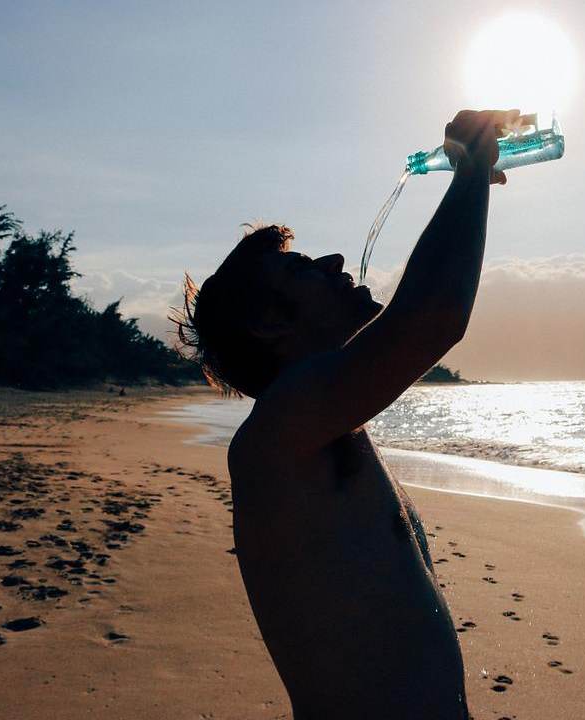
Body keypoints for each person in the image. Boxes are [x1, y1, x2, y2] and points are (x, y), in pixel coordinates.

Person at [173, 109, 518, 718]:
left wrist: (469, 179)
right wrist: (468, 169)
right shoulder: (276, 438)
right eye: (300, 267)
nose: (333, 260)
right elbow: (432, 316)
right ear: (270, 322)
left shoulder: (326, 429)